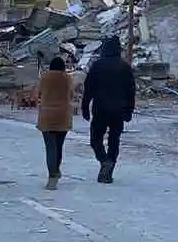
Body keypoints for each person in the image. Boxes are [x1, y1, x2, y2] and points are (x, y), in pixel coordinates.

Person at [81, 36, 135, 184]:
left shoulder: (97, 66)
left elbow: (88, 88)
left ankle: (104, 161)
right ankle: (109, 168)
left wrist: (85, 107)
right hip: (119, 110)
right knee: (114, 140)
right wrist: (129, 110)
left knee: (95, 139)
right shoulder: (125, 67)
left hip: (100, 109)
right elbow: (131, 90)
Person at [36, 56, 74, 189]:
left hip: (47, 116)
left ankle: (52, 175)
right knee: (59, 146)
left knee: (50, 147)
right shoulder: (68, 78)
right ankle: (56, 170)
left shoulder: (44, 78)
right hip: (63, 116)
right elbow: (71, 95)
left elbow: (38, 94)